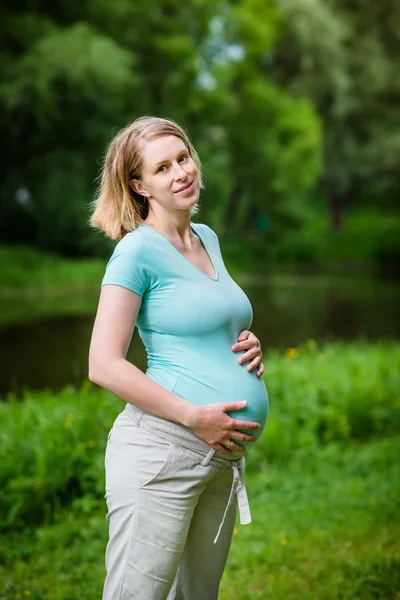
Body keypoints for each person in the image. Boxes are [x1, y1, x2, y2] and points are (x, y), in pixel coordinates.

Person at [88, 116, 269, 600]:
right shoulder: (135, 252)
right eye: (162, 167)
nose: (181, 173)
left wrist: (244, 341)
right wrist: (195, 415)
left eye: (183, 158)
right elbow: (103, 364)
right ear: (139, 185)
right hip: (162, 453)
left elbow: (204, 321)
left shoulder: (206, 237)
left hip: (219, 458)